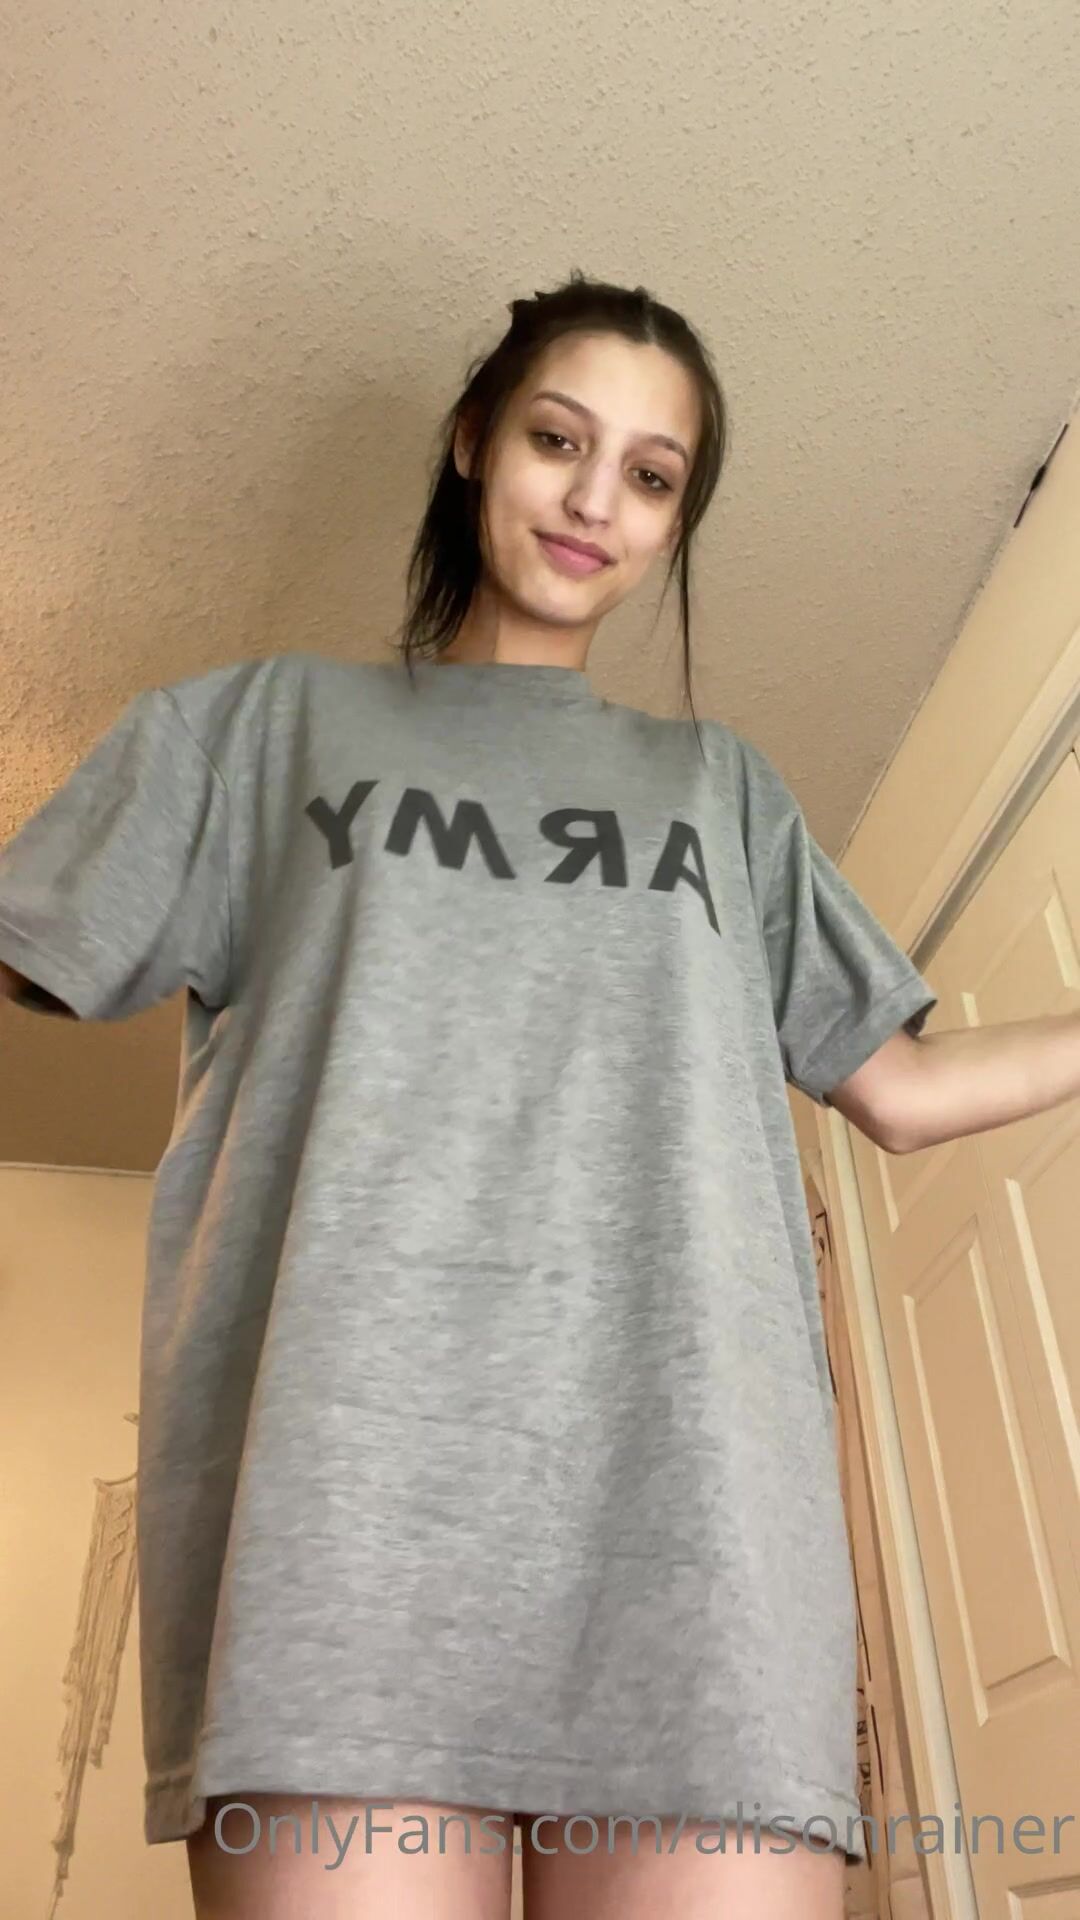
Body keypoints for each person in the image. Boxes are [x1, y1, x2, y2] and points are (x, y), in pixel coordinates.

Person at [0, 271, 937, 1919]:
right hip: (340, 1532)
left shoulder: (722, 791)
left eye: (650, 475)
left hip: (696, 1537)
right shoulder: (259, 727)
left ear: (674, 523)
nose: (593, 499)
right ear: (471, 440)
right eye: (558, 440)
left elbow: (906, 1089)